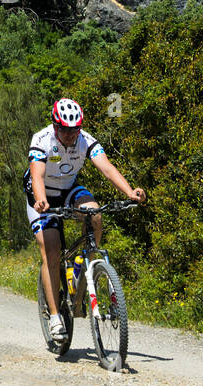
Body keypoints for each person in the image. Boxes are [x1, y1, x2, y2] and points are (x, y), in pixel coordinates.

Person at [25, 98, 146, 343]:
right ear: (55, 126)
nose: (70, 135)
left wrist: (130, 192)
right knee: (51, 248)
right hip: (41, 195)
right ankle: (56, 316)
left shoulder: (85, 140)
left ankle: (86, 262)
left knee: (95, 213)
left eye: (75, 130)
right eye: (65, 130)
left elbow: (107, 168)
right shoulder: (41, 140)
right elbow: (36, 174)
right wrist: (40, 200)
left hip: (68, 189)